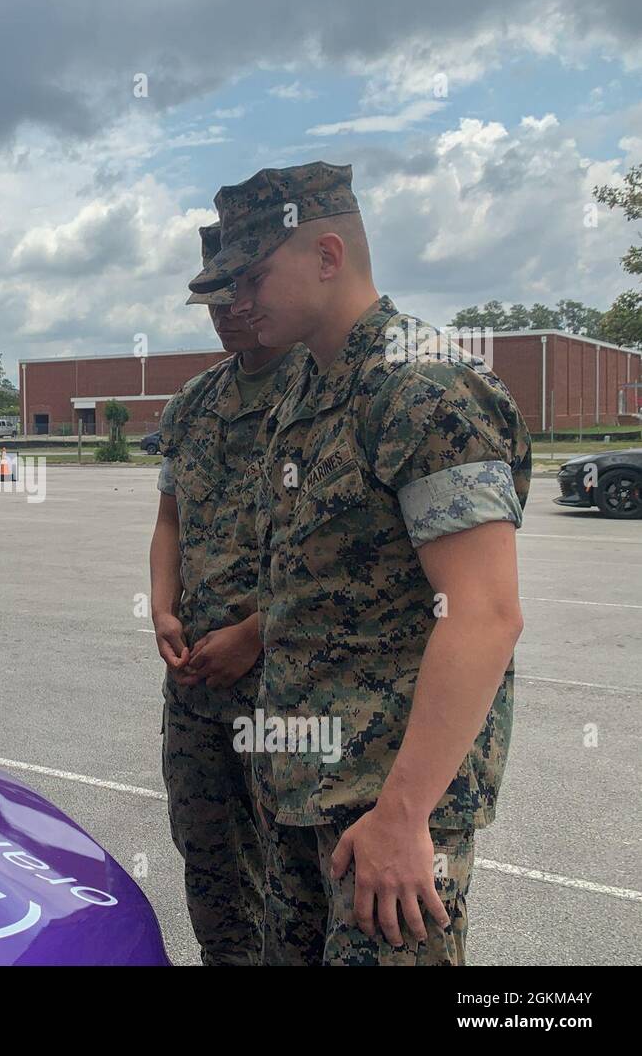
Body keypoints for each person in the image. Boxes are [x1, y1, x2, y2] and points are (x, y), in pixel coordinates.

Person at [192, 161, 531, 965]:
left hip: (387, 808)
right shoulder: (306, 388)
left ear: (328, 256)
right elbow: (314, 587)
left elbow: (485, 612)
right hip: (303, 791)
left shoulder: (424, 387)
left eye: (254, 276)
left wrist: (406, 814)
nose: (237, 301)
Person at [151, 223, 305, 964]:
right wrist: (161, 608)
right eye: (212, 297)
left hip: (283, 685)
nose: (226, 311)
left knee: (293, 875)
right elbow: (169, 518)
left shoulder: (320, 389)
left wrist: (254, 633)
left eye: (240, 293)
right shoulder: (194, 402)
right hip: (195, 685)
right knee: (208, 858)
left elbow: (344, 559)